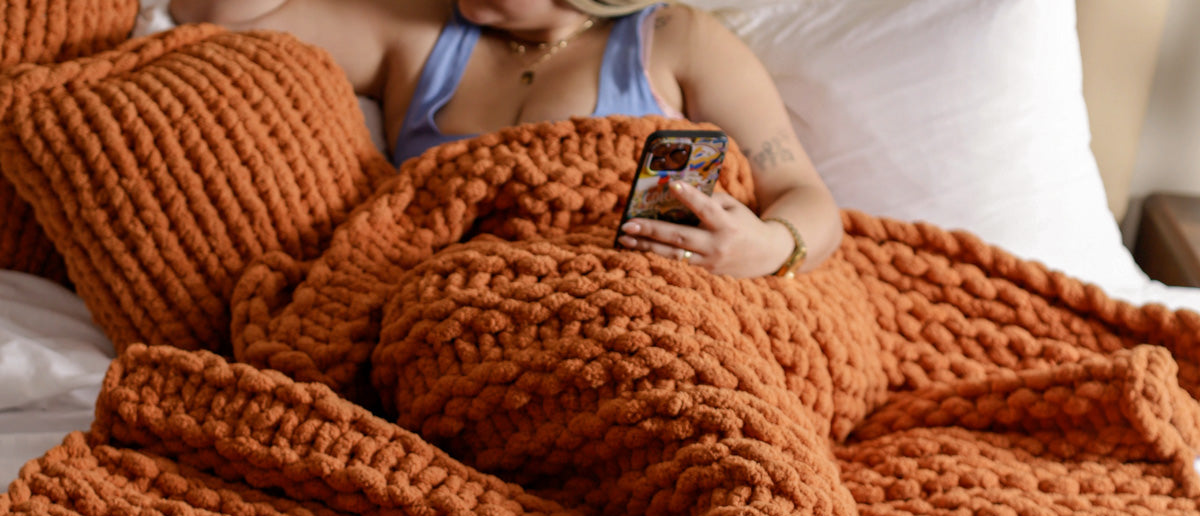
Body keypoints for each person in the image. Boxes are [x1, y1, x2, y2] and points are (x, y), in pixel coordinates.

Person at [169, 0, 842, 278]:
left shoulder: (676, 40)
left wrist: (767, 248)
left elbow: (805, 195)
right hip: (451, 320)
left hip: (638, 310)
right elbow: (213, 13)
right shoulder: (419, 32)